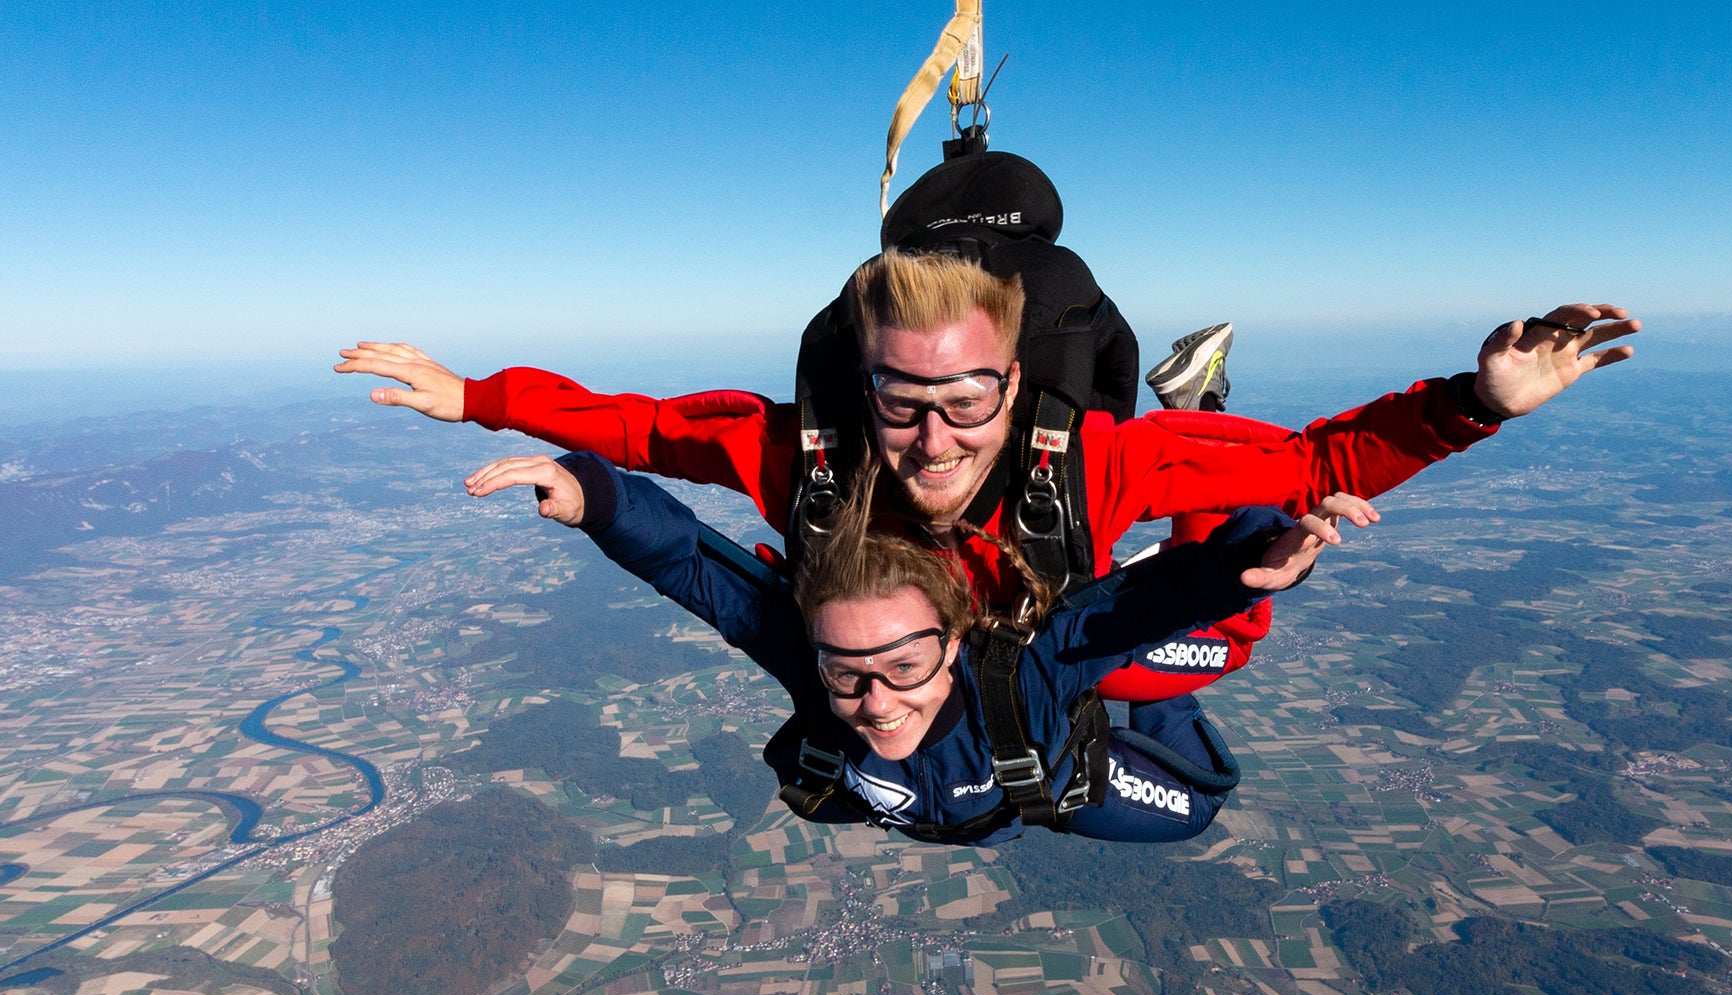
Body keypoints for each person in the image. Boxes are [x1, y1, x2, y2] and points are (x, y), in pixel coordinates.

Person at [334, 251, 1638, 689]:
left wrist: (1477, 404)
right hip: (943, 653)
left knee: (1228, 630)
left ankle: (1200, 410)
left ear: (1012, 392)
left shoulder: (1092, 465)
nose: (935, 437)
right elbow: (639, 428)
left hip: (1059, 629)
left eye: (966, 401)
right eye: (902, 401)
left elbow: (1314, 463)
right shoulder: (801, 454)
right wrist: (477, 402)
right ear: (863, 396)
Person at [463, 449, 1380, 846]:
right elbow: (695, 569)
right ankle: (1125, 673)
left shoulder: (1021, 674)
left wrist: (1262, 552)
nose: (876, 701)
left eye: (904, 667)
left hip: (1063, 766)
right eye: (847, 674)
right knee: (1122, 649)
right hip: (1017, 788)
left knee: (1202, 795)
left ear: (954, 643)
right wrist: (592, 497)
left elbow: (1154, 599)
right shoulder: (819, 663)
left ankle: (1141, 683)